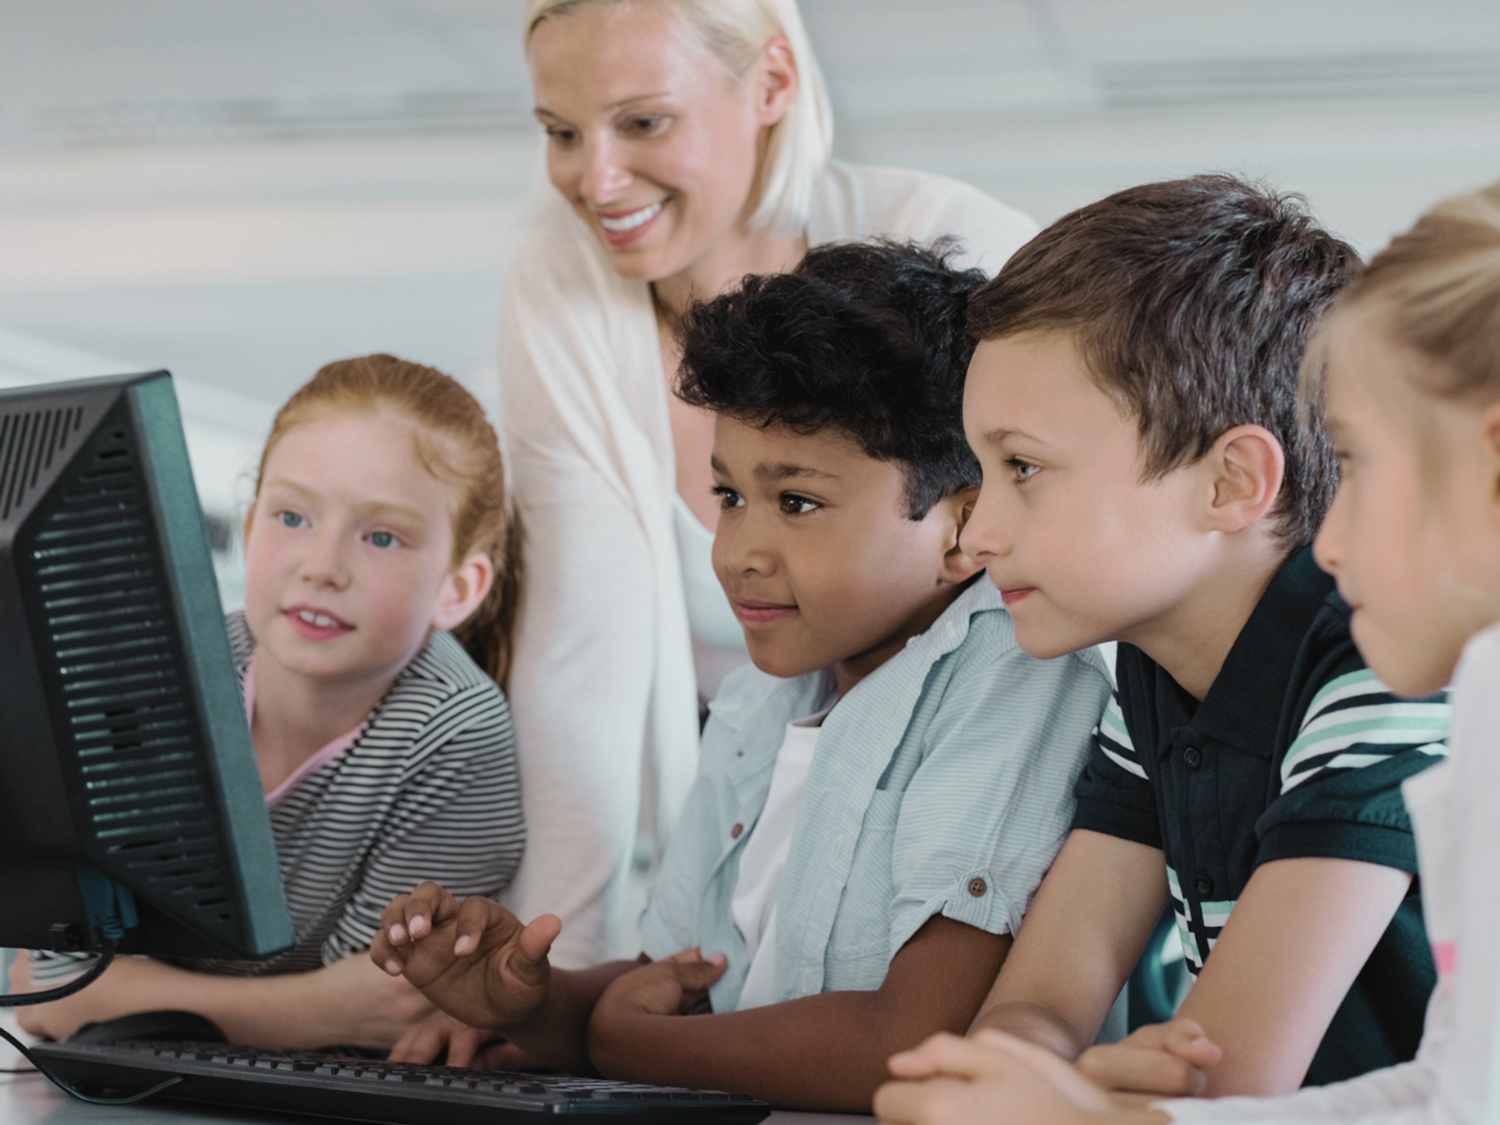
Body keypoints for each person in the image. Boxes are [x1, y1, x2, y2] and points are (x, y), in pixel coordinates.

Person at [372, 241, 1111, 1110]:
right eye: (728, 496)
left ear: (961, 527)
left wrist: (620, 1040)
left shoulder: (1016, 681)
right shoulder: (765, 691)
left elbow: (913, 1044)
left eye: (797, 502)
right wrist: (536, 1003)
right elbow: (683, 991)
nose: (737, 553)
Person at [872, 180, 1500, 1125]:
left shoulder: (1381, 663)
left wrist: (1073, 1100)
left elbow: (1228, 1075)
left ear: (1231, 482)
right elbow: (1037, 1011)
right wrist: (1051, 1082)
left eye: (1025, 468)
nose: (976, 534)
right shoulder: (1151, 668)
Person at [498, 0, 1040, 968]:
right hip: (747, 766)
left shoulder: (953, 253)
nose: (596, 177)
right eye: (561, 134)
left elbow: (1055, 556)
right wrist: (546, 969)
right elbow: (583, 652)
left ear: (773, 86)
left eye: (644, 121)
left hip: (956, 769)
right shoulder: (562, 282)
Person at [12, 354, 524, 1054]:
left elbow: (384, 1007)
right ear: (249, 529)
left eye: (381, 536)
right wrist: (317, 1007)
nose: (322, 564)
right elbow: (53, 984)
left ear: (458, 587)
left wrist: (110, 994)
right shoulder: (149, 672)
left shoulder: (453, 732)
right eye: (292, 516)